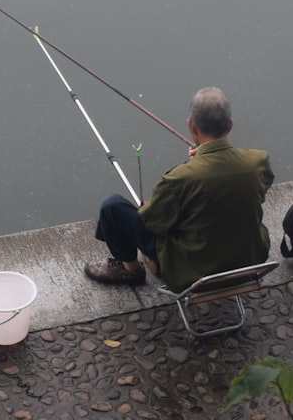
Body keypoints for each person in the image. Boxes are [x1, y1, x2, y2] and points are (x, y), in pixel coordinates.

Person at [84, 87, 274, 291]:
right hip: (249, 262)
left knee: (113, 207)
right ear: (230, 125)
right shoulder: (258, 161)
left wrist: (153, 207)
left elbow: (153, 224)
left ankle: (130, 270)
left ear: (192, 126)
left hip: (192, 271)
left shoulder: (180, 177)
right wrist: (202, 158)